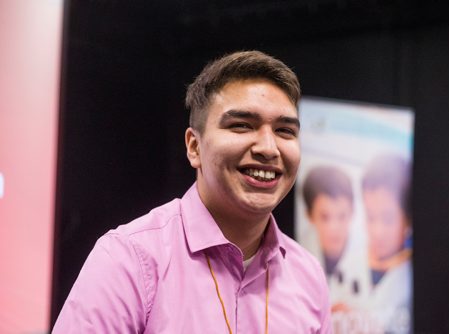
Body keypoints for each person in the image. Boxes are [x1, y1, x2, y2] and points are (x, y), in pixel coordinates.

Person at [53, 51, 332, 333]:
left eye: (285, 131)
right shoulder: (129, 259)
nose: (268, 148)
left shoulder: (307, 275)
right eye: (242, 126)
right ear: (194, 147)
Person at [361, 154, 412, 333]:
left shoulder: (410, 277)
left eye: (388, 219)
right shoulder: (354, 261)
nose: (377, 232)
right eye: (370, 217)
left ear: (408, 220)